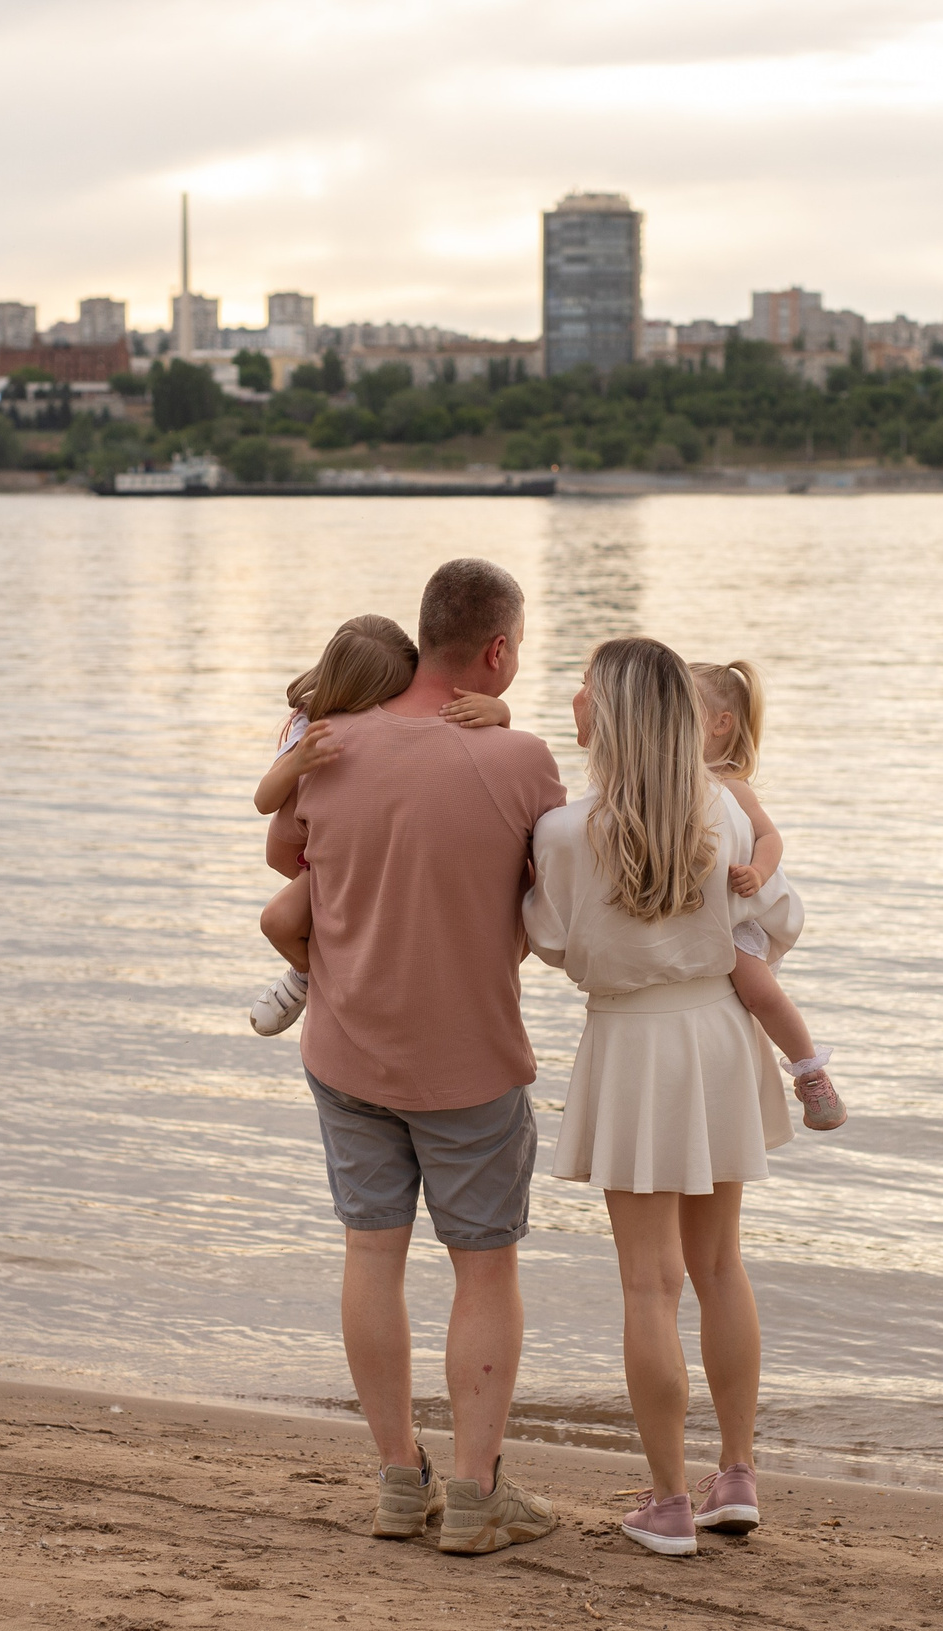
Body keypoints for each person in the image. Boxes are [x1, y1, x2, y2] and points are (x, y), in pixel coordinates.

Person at [264, 558, 567, 1555]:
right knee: (483, 1270)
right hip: (469, 1061)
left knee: (371, 1251)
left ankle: (401, 1481)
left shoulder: (328, 745)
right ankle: (475, 1495)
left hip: (347, 1047)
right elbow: (547, 902)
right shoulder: (520, 760)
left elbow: (290, 860)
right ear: (496, 650)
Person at [522, 637, 804, 1558]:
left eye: (582, 687)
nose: (569, 698)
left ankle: (669, 1500)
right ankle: (736, 1475)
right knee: (720, 1267)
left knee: (648, 1283)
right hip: (718, 1034)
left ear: (605, 713)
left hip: (631, 1042)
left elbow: (552, 942)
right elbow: (780, 921)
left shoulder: (564, 830)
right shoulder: (722, 809)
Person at [248, 614, 509, 1035]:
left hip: (379, 861)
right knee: (276, 920)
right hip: (323, 864)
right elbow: (263, 801)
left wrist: (501, 712)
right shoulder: (307, 725)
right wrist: (294, 765)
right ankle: (308, 976)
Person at [690, 659, 843, 1129]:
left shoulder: (731, 786)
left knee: (758, 992)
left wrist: (758, 871)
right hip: (705, 916)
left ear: (721, 724)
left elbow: (771, 838)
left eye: (685, 708)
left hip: (737, 921)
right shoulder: (672, 777)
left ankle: (810, 1072)